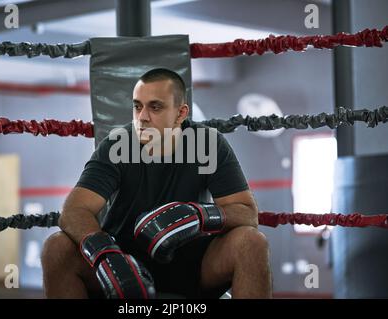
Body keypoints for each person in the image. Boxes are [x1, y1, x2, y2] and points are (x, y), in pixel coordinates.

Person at [41, 68, 272, 299]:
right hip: (124, 264)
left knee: (251, 243)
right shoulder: (116, 146)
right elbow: (74, 210)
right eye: (137, 106)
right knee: (57, 247)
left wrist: (196, 216)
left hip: (194, 266)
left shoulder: (208, 144)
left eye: (155, 107)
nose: (142, 116)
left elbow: (247, 214)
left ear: (180, 113)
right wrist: (106, 254)